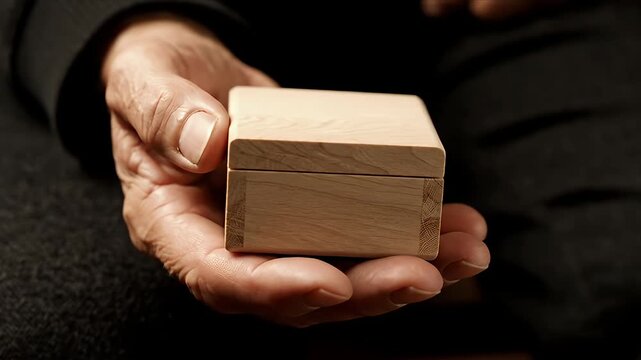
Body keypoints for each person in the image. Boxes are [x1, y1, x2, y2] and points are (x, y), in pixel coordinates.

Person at [4, 0, 640, 357]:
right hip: (205, 15)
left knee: (619, 280)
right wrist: (130, 28)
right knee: (66, 330)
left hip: (515, 25)